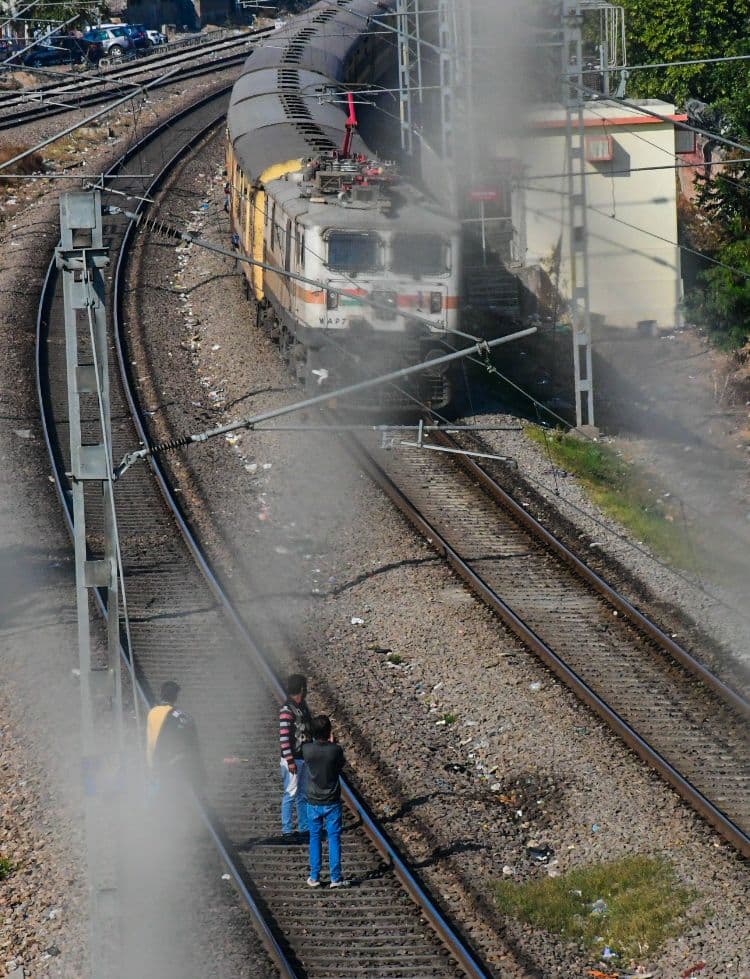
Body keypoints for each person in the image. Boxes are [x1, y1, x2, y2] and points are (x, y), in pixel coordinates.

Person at [302, 714, 349, 888]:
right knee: (334, 838)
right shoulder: (335, 750)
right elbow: (339, 766)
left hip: (313, 801)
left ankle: (314, 876)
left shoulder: (307, 749)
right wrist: (332, 743)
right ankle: (335, 878)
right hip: (332, 801)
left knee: (315, 837)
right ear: (329, 731)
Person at [146, 680, 203, 793]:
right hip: (176, 767)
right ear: (176, 696)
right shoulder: (185, 716)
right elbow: (193, 744)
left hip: (155, 767)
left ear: (161, 694)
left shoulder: (152, 713)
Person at [279, 674, 312, 838]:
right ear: (300, 689)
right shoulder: (287, 710)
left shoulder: (302, 707)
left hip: (303, 757)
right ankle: (287, 829)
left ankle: (304, 827)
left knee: (303, 794)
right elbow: (284, 738)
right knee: (291, 793)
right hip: (292, 759)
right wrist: (290, 760)